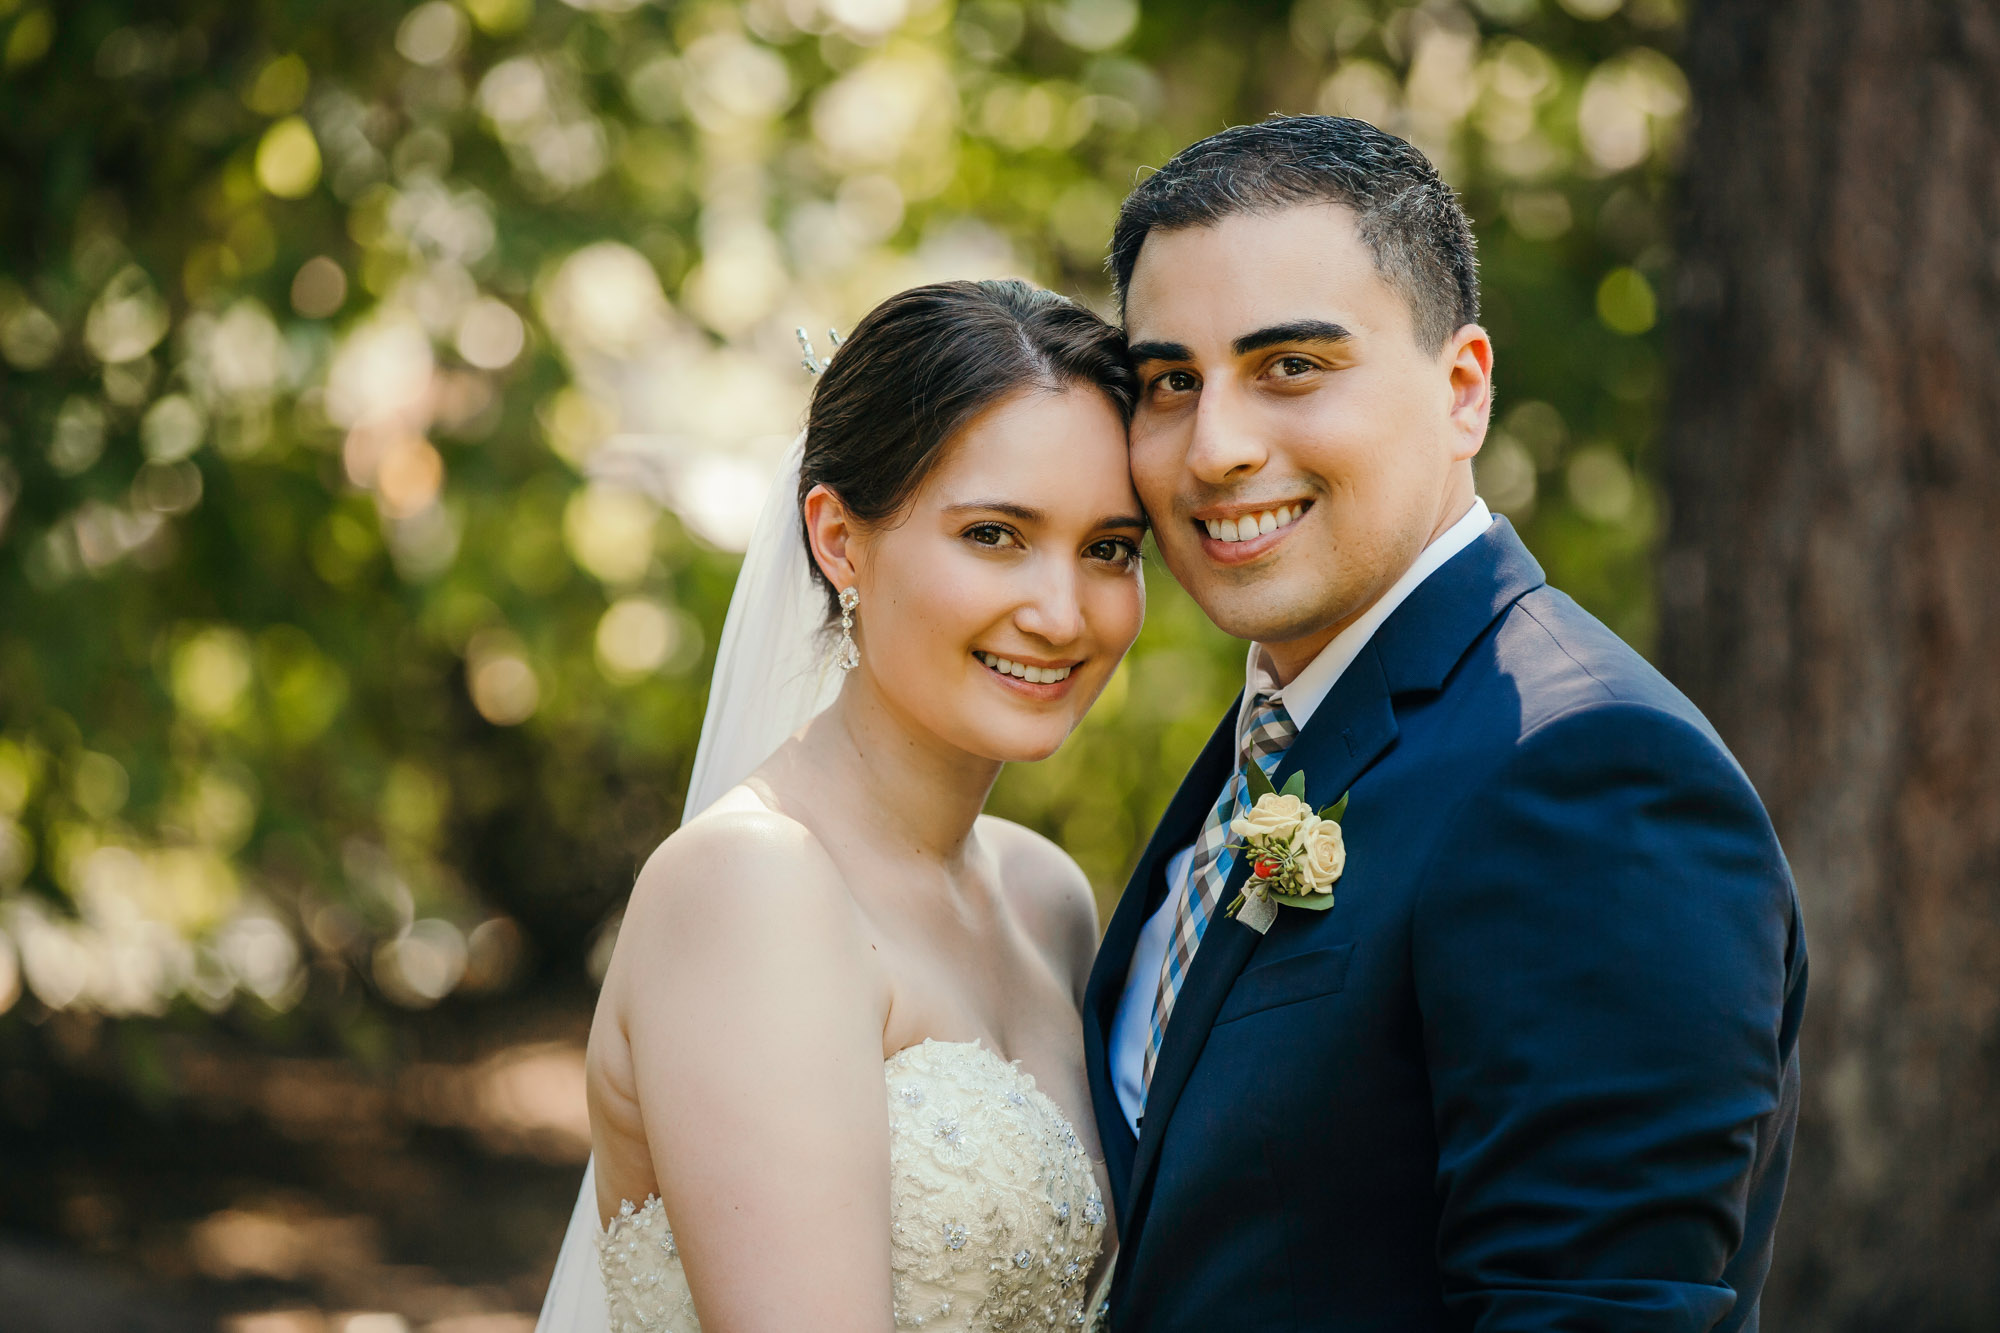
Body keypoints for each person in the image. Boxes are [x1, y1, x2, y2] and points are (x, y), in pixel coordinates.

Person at [1082, 115, 1808, 1332]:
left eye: (1291, 366)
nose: (1214, 448)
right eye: (1170, 383)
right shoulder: (1284, 735)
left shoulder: (1584, 771)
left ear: (1461, 388)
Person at [537, 278, 1144, 1332]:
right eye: (995, 534)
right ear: (836, 538)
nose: (1060, 611)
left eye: (1108, 548)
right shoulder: (748, 884)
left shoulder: (1046, 897)